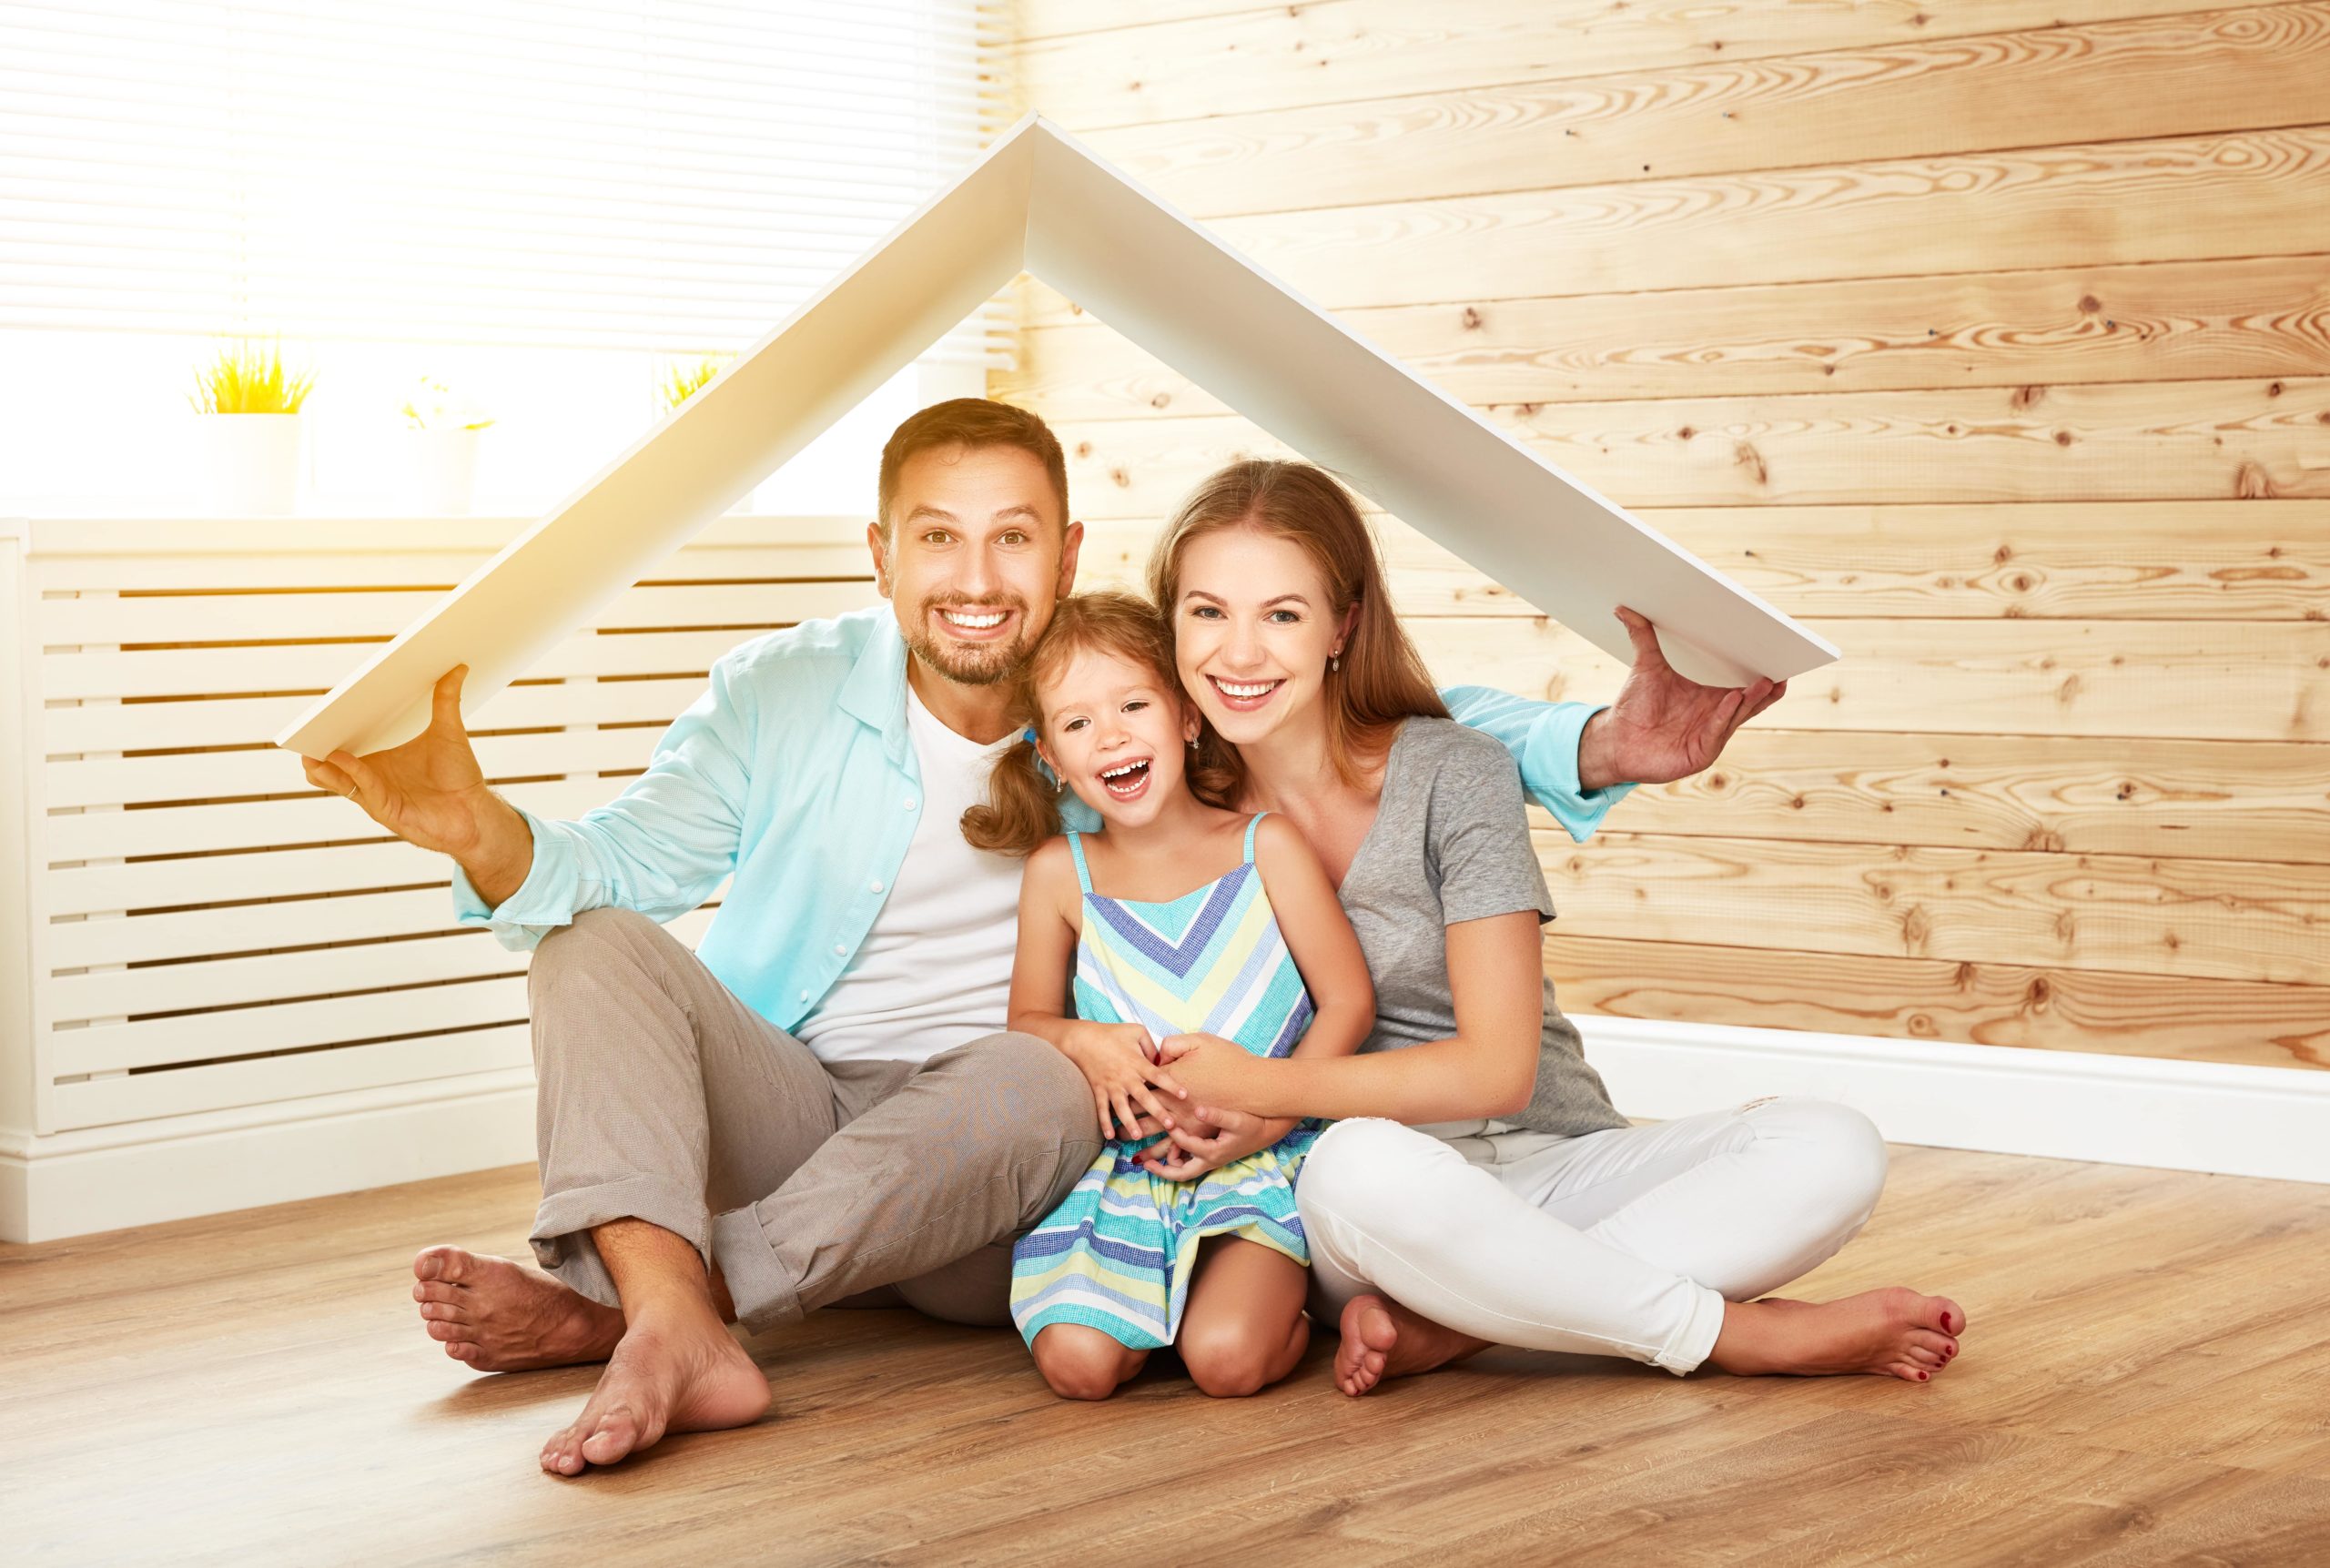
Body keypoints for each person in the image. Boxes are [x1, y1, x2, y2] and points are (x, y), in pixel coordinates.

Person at [296, 398, 1781, 1473]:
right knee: (589, 945)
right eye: (938, 537)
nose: (975, 575)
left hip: (1016, 1145)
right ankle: (680, 1312)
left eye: (1012, 537)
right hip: (803, 1108)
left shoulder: (1135, 703)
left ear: (1066, 550)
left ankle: (630, 1308)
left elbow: (1381, 726)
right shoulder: (779, 694)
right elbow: (606, 864)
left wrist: (1598, 740)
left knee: (1036, 1063)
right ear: (880, 553)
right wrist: (475, 825)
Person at [1129, 460, 1969, 1396]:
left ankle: (1460, 1328)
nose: (1238, 654)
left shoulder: (1457, 770)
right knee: (1355, 1164)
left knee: (1832, 1143)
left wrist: (1262, 1086)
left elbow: (1497, 1069)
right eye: (1207, 612)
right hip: (1376, 1210)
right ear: (1169, 623)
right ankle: (1733, 1334)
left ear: (1343, 624)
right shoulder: (1159, 804)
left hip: (1558, 1158)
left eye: (1280, 614)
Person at [960, 592, 1372, 1401]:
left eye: (1133, 704)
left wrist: (1271, 1115)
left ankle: (1279, 1310)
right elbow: (1029, 1022)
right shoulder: (1059, 872)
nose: (1110, 734)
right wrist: (1087, 1042)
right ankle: (1153, 1303)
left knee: (1226, 1362)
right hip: (1125, 1170)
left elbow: (1349, 1000)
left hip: (1259, 1158)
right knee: (1078, 1369)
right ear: (1051, 759)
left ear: (1186, 717)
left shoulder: (1266, 847)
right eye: (1077, 724)